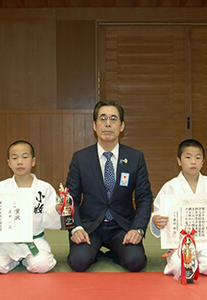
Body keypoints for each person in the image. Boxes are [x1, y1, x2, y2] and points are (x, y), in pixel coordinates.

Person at [65, 100, 153, 272]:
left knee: (136, 262)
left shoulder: (135, 158)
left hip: (122, 227)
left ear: (121, 126)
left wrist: (138, 229)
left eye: (113, 119)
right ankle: (94, 252)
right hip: (90, 227)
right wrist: (75, 227)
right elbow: (70, 199)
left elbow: (144, 198)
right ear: (94, 125)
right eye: (102, 118)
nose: (107, 124)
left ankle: (114, 253)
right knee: (78, 262)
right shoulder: (80, 158)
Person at [151, 139, 207, 278]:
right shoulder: (170, 187)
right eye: (188, 157)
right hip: (179, 243)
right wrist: (156, 220)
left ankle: (195, 265)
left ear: (203, 162)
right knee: (177, 267)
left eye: (198, 158)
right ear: (179, 161)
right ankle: (190, 264)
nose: (193, 161)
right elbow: (158, 212)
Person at [0, 140, 66, 274]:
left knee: (42, 265)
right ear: (9, 163)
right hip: (7, 243)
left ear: (33, 161)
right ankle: (13, 260)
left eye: (25, 157)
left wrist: (56, 210)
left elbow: (49, 222)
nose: (19, 162)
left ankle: (27, 260)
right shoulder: (0, 188)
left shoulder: (45, 188)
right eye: (14, 158)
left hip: (34, 241)